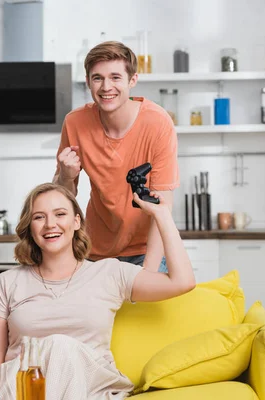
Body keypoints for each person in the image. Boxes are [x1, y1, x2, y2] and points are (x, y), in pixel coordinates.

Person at [0, 183, 195, 399]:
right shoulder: (7, 282)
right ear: (30, 227)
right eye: (39, 217)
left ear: (76, 221)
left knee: (60, 346)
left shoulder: (109, 273)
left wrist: (162, 215)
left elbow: (182, 281)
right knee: (46, 357)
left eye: (60, 214)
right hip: (22, 385)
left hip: (88, 387)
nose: (50, 224)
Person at [53, 41, 179, 273]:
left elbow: (163, 208)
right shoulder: (75, 123)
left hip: (147, 250)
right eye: (97, 78)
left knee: (145, 306)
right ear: (89, 81)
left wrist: (148, 276)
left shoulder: (158, 123)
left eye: (115, 77)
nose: (106, 86)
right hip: (94, 252)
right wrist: (66, 175)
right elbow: (60, 200)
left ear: (132, 80)